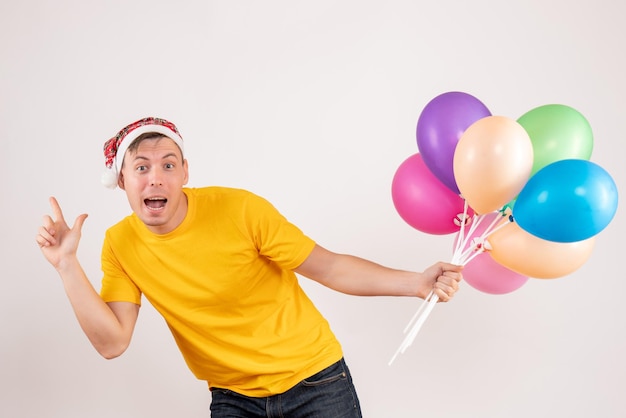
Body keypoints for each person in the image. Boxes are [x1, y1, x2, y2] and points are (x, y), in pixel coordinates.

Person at [36, 117, 462, 417]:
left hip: (315, 382)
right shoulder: (120, 243)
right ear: (123, 181)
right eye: (141, 168)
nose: (156, 178)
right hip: (233, 399)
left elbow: (328, 267)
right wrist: (67, 266)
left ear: (185, 172)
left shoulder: (240, 209)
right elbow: (112, 343)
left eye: (168, 164)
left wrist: (416, 283)